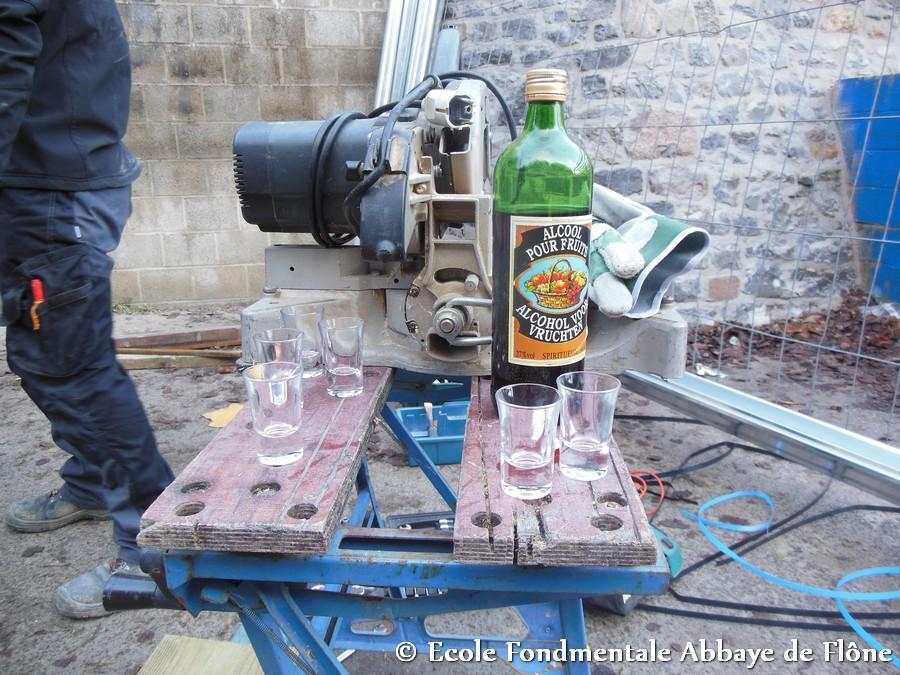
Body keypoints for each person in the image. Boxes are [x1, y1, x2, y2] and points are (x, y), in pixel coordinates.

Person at [0, 0, 174, 619]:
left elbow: (6, 52)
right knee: (42, 356)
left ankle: (158, 553)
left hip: (52, 188)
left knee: (74, 369)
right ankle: (95, 483)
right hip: (43, 177)